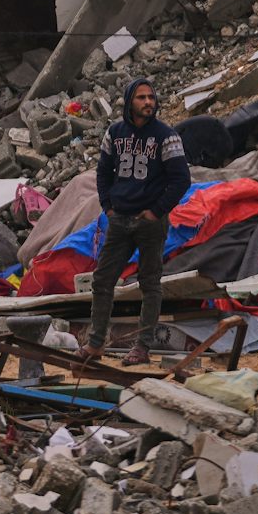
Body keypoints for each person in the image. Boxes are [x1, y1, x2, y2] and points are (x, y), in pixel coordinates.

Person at [81, 77, 191, 365]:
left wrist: (156, 211)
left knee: (150, 282)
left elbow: (181, 179)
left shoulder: (166, 136)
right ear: (130, 101)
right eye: (141, 98)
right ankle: (95, 344)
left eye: (151, 98)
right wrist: (108, 207)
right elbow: (103, 172)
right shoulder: (115, 134)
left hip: (150, 222)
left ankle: (142, 347)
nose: (148, 103)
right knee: (103, 280)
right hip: (119, 220)